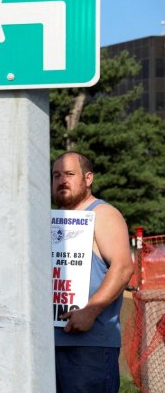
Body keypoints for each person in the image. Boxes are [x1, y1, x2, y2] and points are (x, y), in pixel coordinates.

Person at [51, 152, 133, 393]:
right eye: (56, 175)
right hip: (50, 345)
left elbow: (123, 267)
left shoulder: (102, 213)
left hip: (89, 348)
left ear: (88, 178)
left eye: (69, 174)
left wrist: (90, 311)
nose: (61, 180)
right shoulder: (53, 219)